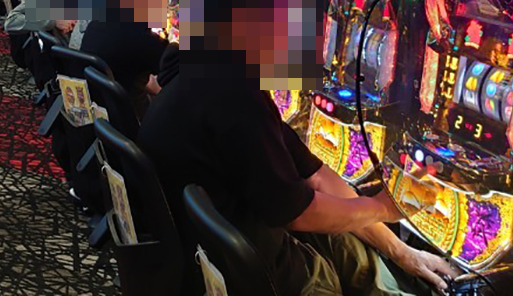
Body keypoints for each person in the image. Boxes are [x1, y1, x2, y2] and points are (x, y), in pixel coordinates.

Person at [138, 56, 456, 295]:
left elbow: (316, 177)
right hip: (249, 276)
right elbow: (297, 213)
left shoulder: (209, 74)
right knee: (333, 253)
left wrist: (401, 250)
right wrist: (384, 208)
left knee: (346, 238)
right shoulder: (236, 96)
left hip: (202, 254)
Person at [80, 21, 168, 119]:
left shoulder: (96, 23)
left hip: (93, 109)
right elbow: (172, 80)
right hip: (129, 117)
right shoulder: (145, 40)